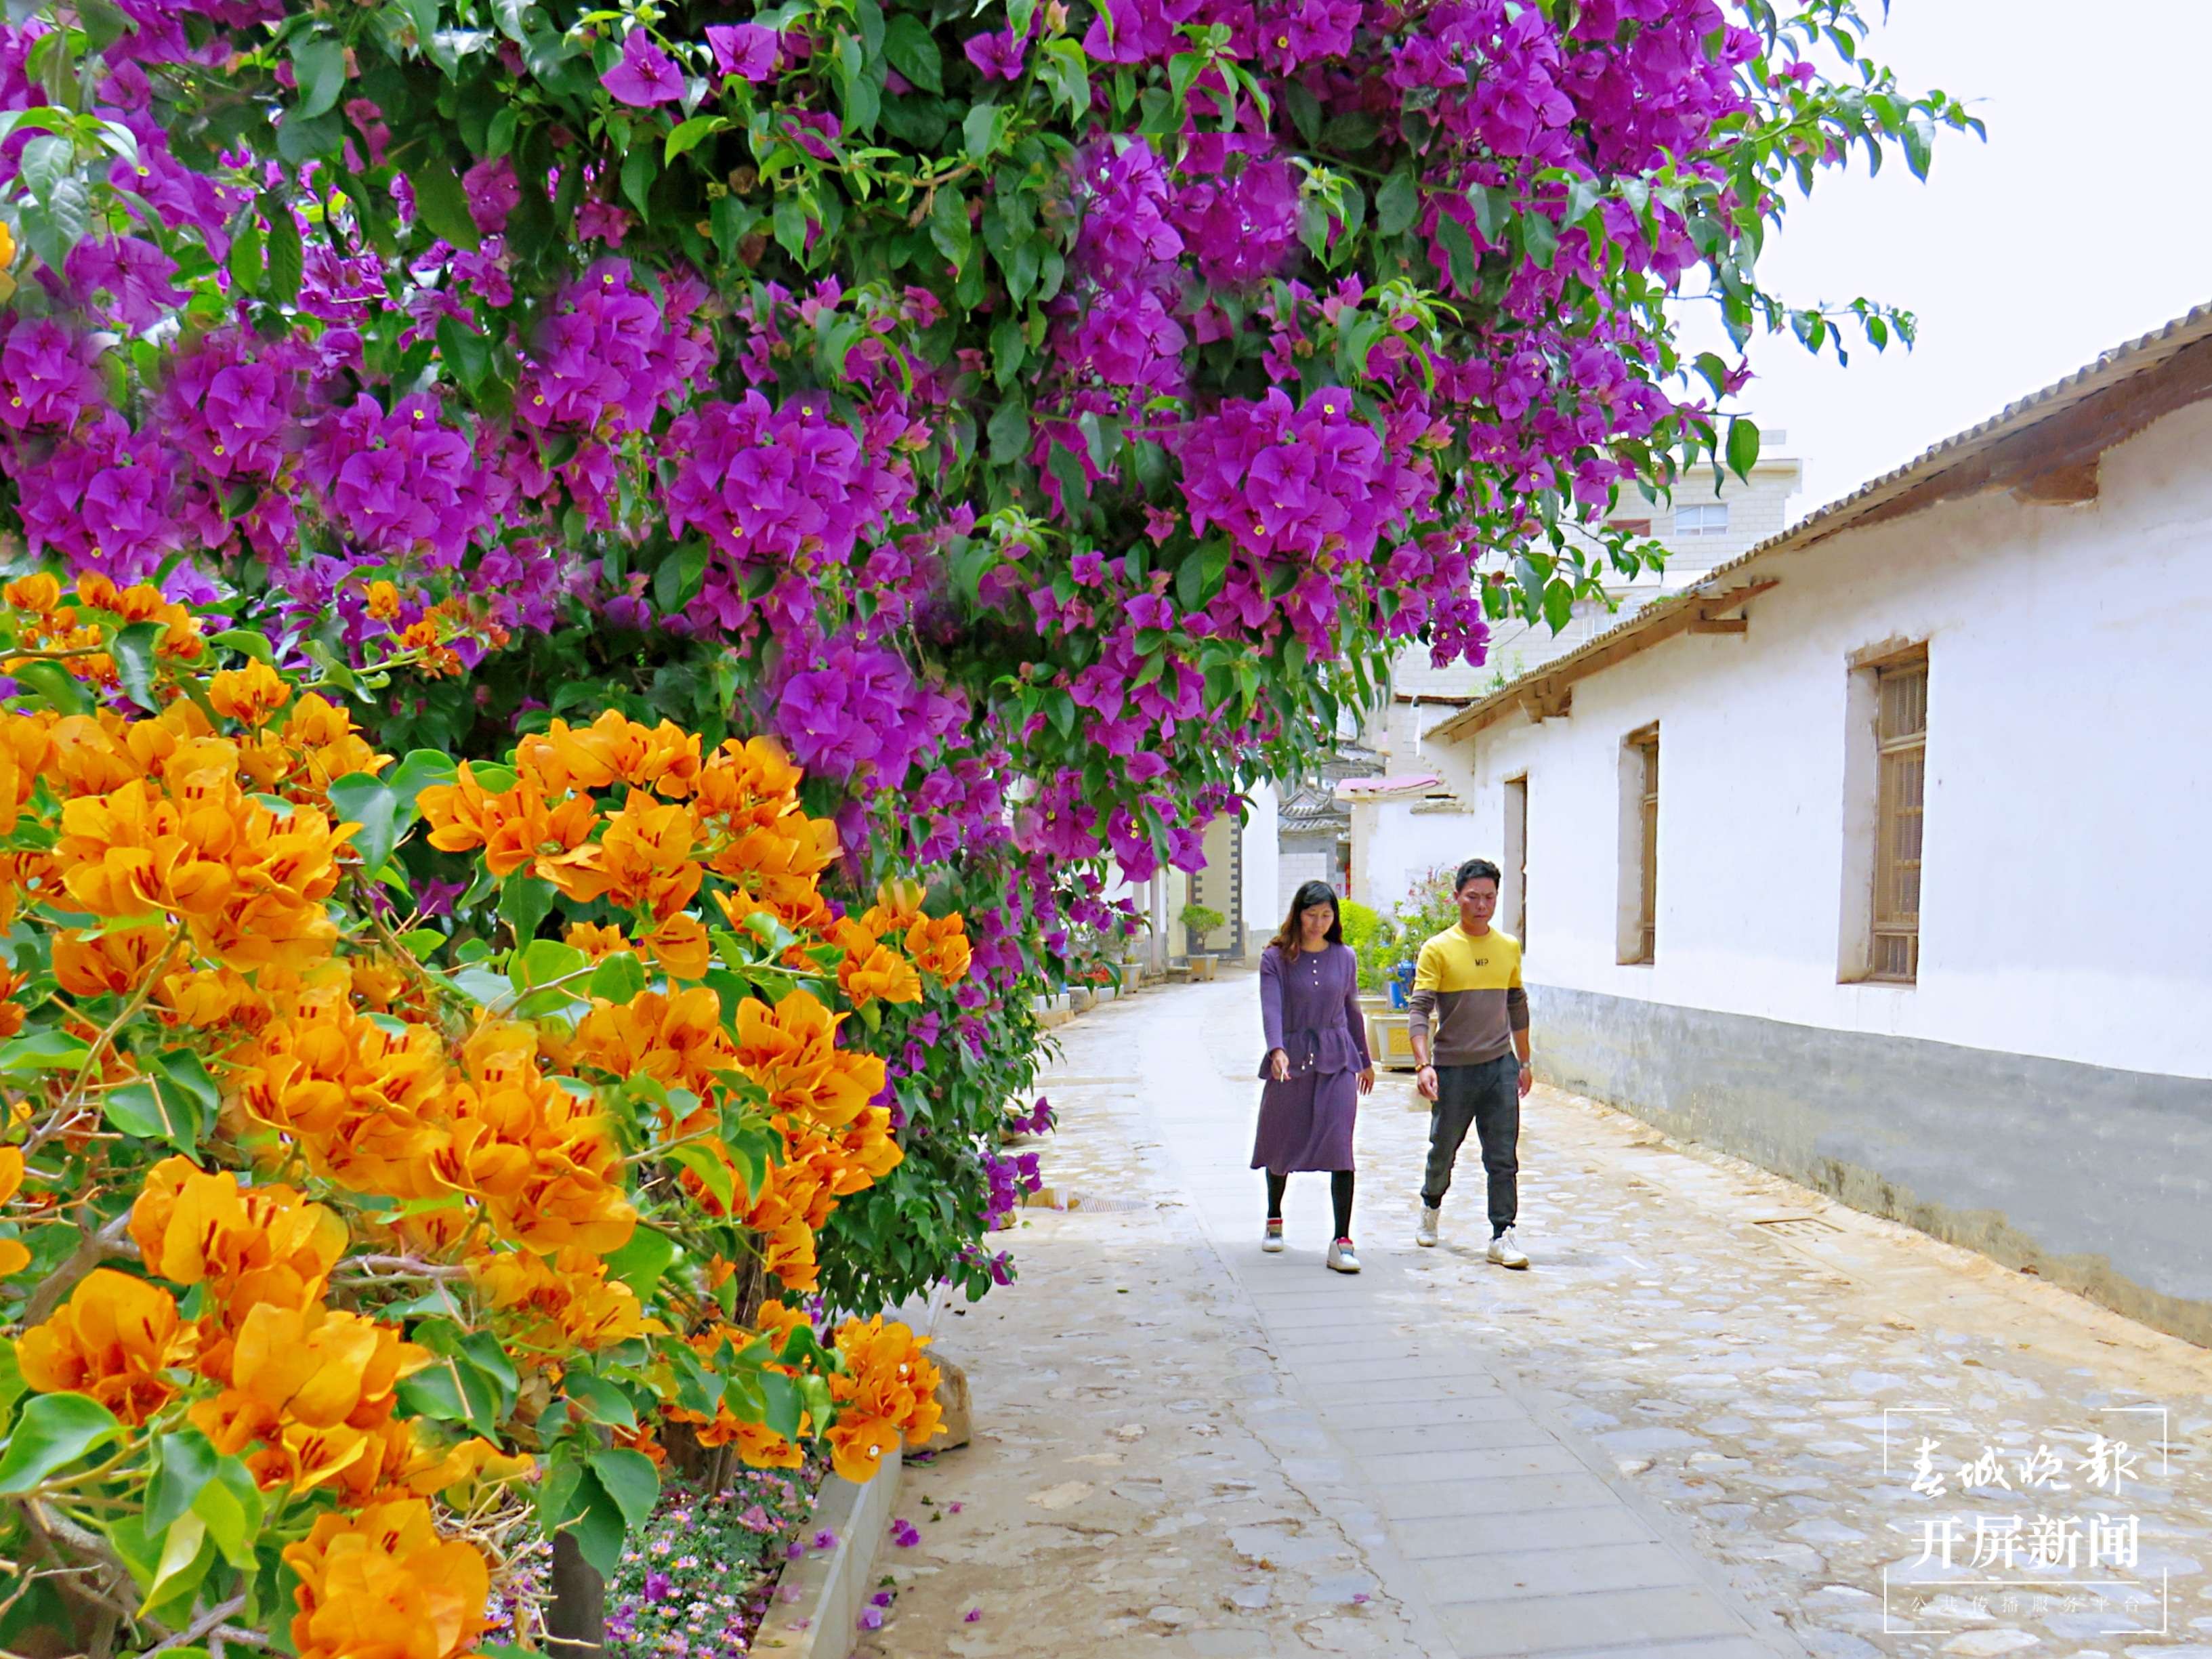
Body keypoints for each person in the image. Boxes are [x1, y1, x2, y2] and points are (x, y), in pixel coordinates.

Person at [1406, 858, 1532, 1267]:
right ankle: (1431, 1204)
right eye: (1473, 897)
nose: (1482, 905)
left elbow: (1517, 1003)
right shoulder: (1438, 949)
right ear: (1457, 897)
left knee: (1502, 1156)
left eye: (1490, 897)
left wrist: (1525, 1061)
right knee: (1444, 1148)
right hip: (1453, 1069)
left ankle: (1503, 1233)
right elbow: (1420, 1009)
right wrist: (1424, 1064)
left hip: (1499, 1066)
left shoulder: (1508, 947)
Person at [1253, 880, 1377, 1272]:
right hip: (1291, 1056)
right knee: (1281, 1138)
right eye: (1311, 915)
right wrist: (1277, 1049)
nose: (1319, 923)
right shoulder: (1275, 958)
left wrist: (1366, 1058)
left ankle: (1342, 1240)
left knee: (1341, 1143)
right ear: (1297, 914)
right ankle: (1274, 1214)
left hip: (1338, 1058)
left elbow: (1353, 1010)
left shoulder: (1346, 956)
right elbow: (1271, 1007)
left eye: (1326, 915)